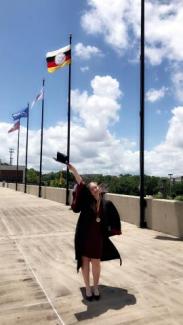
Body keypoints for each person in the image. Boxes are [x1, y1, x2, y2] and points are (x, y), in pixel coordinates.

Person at [68, 163, 122, 301]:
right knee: (85, 262)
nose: (95, 190)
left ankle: (96, 287)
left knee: (96, 263)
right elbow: (80, 182)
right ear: (89, 192)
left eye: (96, 187)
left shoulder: (106, 204)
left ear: (99, 189)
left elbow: (113, 218)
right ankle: (87, 288)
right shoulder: (86, 202)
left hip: (97, 238)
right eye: (92, 189)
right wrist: (74, 170)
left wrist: (111, 230)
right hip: (84, 237)